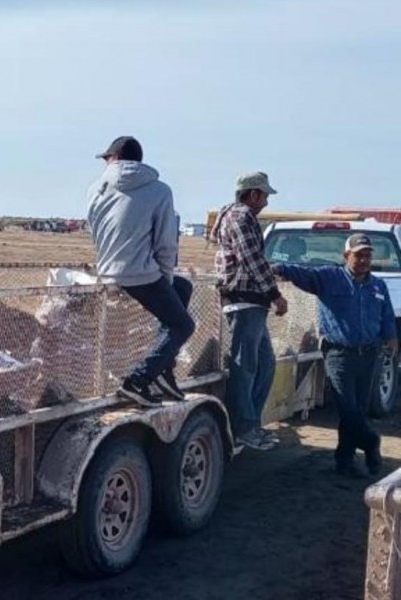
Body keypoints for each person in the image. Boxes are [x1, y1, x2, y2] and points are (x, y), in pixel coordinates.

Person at [273, 234, 398, 477]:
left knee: (357, 410)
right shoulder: (329, 278)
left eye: (367, 255)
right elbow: (302, 273)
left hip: (369, 355)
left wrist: (391, 339)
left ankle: (345, 462)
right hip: (339, 355)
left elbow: (386, 317)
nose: (363, 260)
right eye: (358, 255)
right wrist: (277, 268)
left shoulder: (378, 286)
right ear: (345, 256)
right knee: (348, 409)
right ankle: (371, 442)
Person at [87, 136, 195, 408]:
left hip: (107, 268)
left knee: (183, 288)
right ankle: (137, 380)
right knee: (183, 325)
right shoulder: (160, 191)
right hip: (140, 274)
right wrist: (165, 278)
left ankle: (163, 370)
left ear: (113, 158)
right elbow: (166, 243)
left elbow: (95, 230)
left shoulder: (95, 189)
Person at [212, 172, 287, 450]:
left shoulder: (230, 215)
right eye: (264, 195)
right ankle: (244, 427)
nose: (266, 201)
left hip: (249, 301)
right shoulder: (242, 217)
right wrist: (275, 294)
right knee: (245, 366)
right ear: (253, 194)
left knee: (265, 364)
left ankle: (250, 423)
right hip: (246, 299)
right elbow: (252, 259)